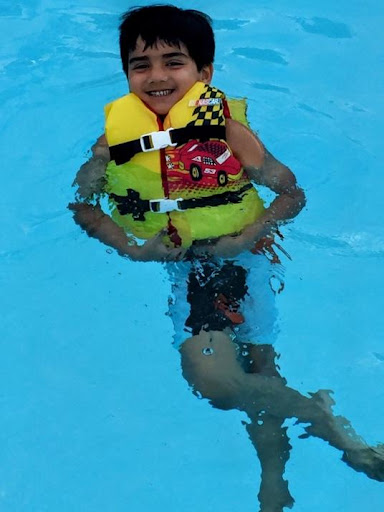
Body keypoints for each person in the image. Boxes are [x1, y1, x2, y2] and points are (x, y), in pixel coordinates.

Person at [69, 5, 384, 511]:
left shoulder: (229, 134)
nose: (156, 76)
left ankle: (327, 430)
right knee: (259, 379)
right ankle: (275, 484)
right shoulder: (113, 142)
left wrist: (248, 235)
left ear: (204, 74)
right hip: (192, 264)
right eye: (140, 64)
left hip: (240, 257)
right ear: (126, 72)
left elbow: (290, 193)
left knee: (215, 382)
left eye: (174, 61)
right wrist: (134, 248)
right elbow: (82, 207)